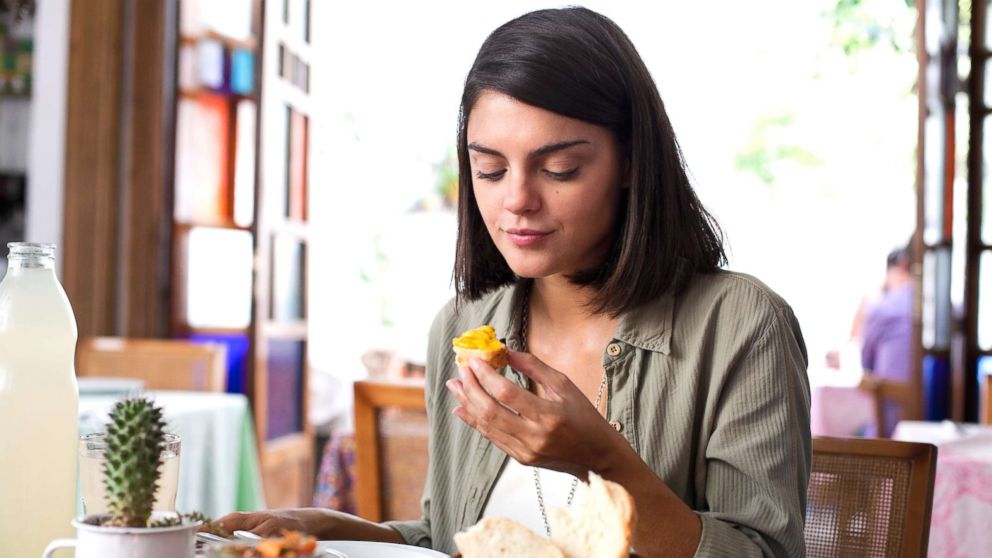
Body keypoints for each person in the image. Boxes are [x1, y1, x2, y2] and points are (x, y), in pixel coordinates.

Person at [214, 7, 811, 557]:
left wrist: (600, 462)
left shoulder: (740, 324)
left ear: (631, 162)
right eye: (490, 170)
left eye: (559, 169)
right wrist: (336, 530)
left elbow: (763, 552)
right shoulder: (463, 326)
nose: (517, 200)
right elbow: (454, 538)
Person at [859, 245, 914, 437]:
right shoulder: (944, 306)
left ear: (901, 265)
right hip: (939, 419)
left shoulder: (883, 307)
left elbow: (866, 362)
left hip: (891, 428)